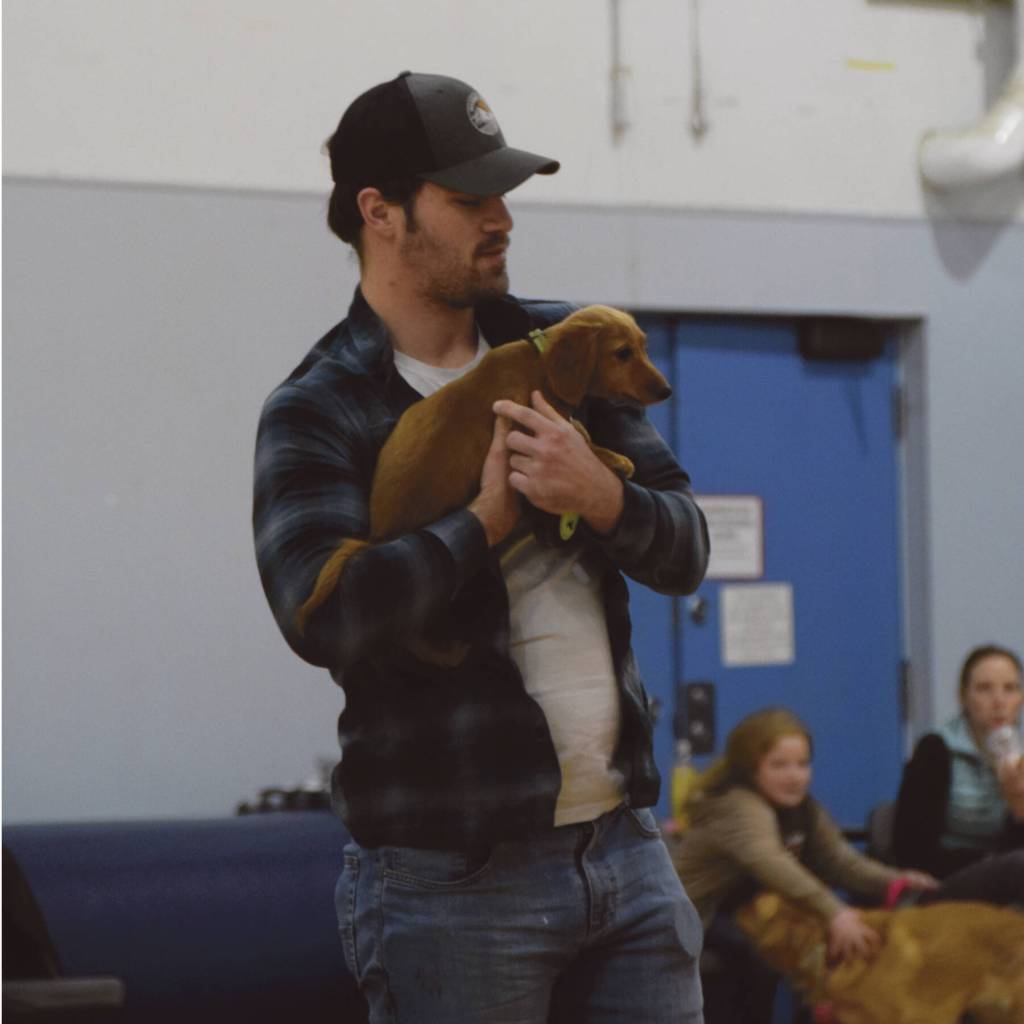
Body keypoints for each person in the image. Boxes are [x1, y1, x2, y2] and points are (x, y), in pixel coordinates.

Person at [252, 71, 711, 1024]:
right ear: (380, 212)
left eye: (503, 194)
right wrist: (483, 526)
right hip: (453, 877)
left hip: (627, 849)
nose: (500, 218)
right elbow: (326, 617)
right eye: (467, 200)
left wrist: (603, 496)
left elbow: (686, 547)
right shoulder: (321, 405)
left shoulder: (568, 345)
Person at [671, 708, 937, 1024]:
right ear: (749, 770)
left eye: (802, 764)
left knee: (822, 943)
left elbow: (841, 861)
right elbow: (774, 864)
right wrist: (836, 913)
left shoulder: (803, 809)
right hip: (696, 918)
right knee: (764, 954)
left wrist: (898, 881)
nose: (795, 776)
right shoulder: (737, 805)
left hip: (747, 914)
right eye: (779, 765)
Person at [892, 644, 1024, 879]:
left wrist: (1018, 808)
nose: (999, 701)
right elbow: (911, 848)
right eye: (984, 689)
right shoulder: (935, 749)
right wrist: (989, 864)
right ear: (963, 696)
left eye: (1010, 689)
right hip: (945, 878)